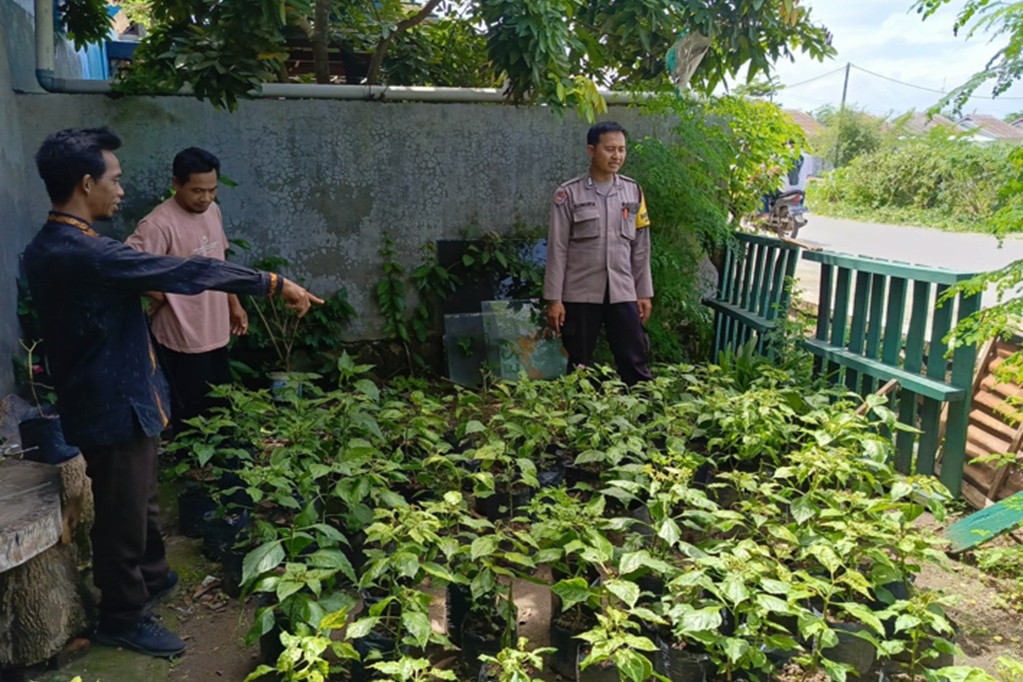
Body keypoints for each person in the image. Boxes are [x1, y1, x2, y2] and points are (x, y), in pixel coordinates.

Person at [24, 127, 322, 659]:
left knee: (140, 499)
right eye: (114, 180)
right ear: (85, 182)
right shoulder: (83, 253)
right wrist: (272, 284)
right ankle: (122, 615)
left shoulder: (67, 246)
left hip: (125, 396)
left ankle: (153, 576)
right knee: (120, 514)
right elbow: (185, 269)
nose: (121, 189)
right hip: (110, 403)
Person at [125, 147, 247, 434]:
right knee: (190, 412)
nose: (205, 198)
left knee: (221, 403)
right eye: (197, 190)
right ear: (175, 184)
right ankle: (192, 468)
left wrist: (234, 303)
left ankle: (222, 460)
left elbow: (220, 262)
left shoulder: (213, 211)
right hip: (181, 334)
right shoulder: (157, 224)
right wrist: (164, 296)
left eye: (212, 190)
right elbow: (128, 271)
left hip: (215, 328)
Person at [543, 121, 653, 386]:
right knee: (578, 364)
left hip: (623, 290)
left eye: (622, 150)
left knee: (634, 358)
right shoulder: (568, 193)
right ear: (592, 151)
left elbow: (640, 247)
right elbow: (557, 248)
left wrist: (643, 292)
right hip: (580, 292)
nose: (617, 156)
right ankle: (580, 420)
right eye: (610, 149)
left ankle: (644, 416)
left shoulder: (633, 191)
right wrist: (554, 299)